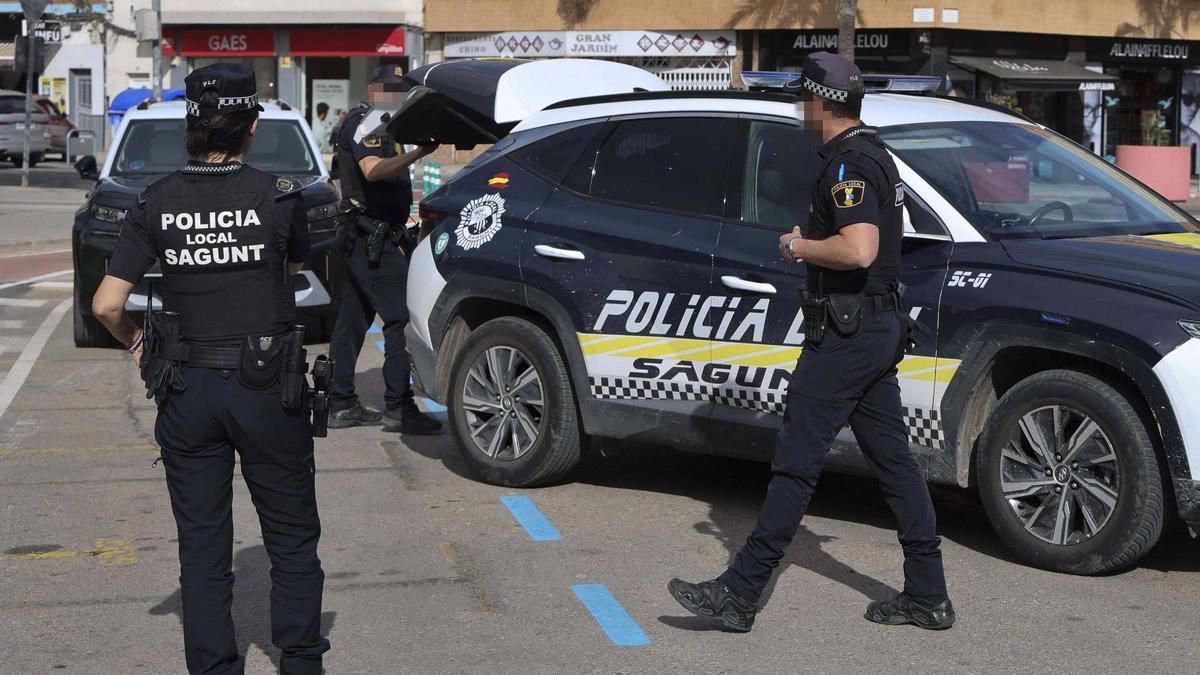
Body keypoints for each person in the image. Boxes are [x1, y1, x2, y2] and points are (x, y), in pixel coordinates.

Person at [668, 52, 954, 633]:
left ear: (820, 103)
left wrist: (798, 248)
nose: (801, 110)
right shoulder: (874, 154)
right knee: (896, 464)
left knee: (796, 465)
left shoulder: (849, 166)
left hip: (847, 335)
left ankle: (740, 593)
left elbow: (859, 250)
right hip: (872, 330)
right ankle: (928, 594)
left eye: (804, 99)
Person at [91, 63, 331, 674]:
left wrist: (140, 343)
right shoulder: (279, 197)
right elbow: (301, 269)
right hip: (267, 386)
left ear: (190, 128)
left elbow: (106, 304)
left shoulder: (156, 200)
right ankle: (300, 662)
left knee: (202, 550)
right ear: (250, 127)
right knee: (292, 542)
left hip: (187, 388)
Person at [326, 64, 442, 433]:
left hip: (367, 235)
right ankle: (399, 407)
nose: (396, 95)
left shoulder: (384, 123)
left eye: (400, 89)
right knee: (401, 319)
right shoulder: (369, 122)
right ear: (374, 89)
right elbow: (373, 170)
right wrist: (419, 154)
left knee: (350, 322)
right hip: (368, 239)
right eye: (390, 89)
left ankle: (340, 401)